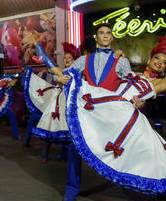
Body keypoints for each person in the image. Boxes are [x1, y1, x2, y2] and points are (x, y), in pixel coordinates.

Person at [63, 26, 166, 200]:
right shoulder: (132, 72)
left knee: (162, 156)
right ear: (150, 58)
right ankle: (71, 190)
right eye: (157, 58)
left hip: (130, 120)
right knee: (79, 143)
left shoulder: (160, 83)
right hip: (109, 111)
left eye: (164, 63)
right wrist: (117, 53)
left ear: (164, 69)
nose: (160, 63)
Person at [37, 23, 140, 201]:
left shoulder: (121, 60)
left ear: (112, 37)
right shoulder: (85, 60)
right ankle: (71, 188)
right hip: (88, 113)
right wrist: (57, 77)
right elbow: (66, 74)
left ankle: (127, 183)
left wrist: (136, 98)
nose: (105, 36)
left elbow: (129, 83)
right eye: (101, 33)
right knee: (75, 148)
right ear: (96, 37)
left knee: (122, 149)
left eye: (108, 33)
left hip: (111, 114)